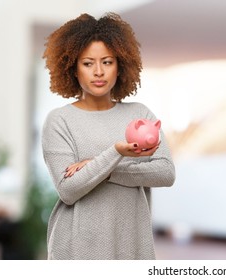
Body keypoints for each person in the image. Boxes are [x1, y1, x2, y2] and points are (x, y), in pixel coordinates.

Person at [41, 12, 176, 260]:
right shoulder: (59, 121)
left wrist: (103, 169)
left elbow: (166, 173)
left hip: (131, 245)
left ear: (120, 65)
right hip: (77, 250)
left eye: (107, 61)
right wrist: (115, 152)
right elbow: (69, 189)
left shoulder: (140, 114)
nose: (98, 72)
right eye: (88, 63)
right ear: (73, 68)